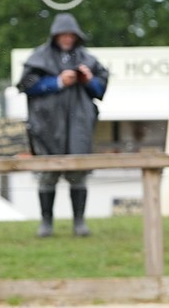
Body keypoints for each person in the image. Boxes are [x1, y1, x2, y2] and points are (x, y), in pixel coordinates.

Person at [17, 13, 109, 238]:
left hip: (78, 125)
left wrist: (88, 80)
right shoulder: (39, 57)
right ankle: (46, 222)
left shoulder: (88, 59)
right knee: (48, 174)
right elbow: (26, 85)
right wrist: (57, 82)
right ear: (55, 36)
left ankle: (79, 221)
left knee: (78, 173)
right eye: (63, 35)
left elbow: (100, 90)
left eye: (71, 35)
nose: (67, 39)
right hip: (48, 125)